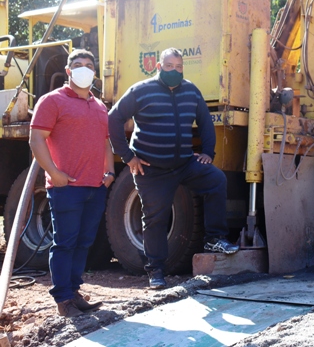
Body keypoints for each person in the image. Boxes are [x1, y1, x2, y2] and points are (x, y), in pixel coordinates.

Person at [108, 47, 238, 289]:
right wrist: (127, 156)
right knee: (155, 219)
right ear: (159, 67)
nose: (175, 71)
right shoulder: (141, 91)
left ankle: (214, 239)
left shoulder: (191, 90)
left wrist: (209, 153)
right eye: (169, 67)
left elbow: (205, 121)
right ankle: (156, 271)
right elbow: (113, 118)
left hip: (184, 163)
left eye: (179, 67)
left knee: (216, 180)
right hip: (151, 169)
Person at [30, 49, 114, 317]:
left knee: (84, 242)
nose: (83, 69)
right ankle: (63, 300)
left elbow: (105, 142)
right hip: (66, 189)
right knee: (65, 243)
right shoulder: (52, 101)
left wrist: (109, 172)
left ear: (94, 72)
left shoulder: (99, 106)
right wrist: (54, 173)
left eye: (89, 65)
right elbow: (37, 139)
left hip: (94, 187)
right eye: (77, 65)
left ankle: (74, 291)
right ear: (68, 71)